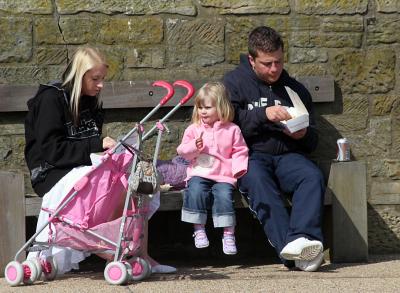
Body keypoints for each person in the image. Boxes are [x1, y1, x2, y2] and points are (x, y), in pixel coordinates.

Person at [25, 46, 175, 275]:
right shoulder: (50, 99)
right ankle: (113, 250)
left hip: (82, 166)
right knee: (109, 177)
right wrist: (97, 145)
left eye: (102, 79)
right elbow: (51, 151)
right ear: (79, 76)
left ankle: (136, 253)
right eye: (95, 79)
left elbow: (90, 147)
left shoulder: (90, 100)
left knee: (137, 173)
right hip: (51, 172)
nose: (101, 85)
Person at [223, 26, 326, 271]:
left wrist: (303, 134)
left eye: (278, 62)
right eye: (267, 63)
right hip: (250, 156)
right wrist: (263, 114)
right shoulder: (232, 84)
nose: (274, 69)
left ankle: (305, 241)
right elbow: (226, 127)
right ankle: (291, 254)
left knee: (311, 177)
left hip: (289, 154)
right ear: (251, 60)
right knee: (258, 183)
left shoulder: (294, 88)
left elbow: (313, 141)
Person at [177, 82, 248, 255]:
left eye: (207, 107)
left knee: (224, 195)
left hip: (223, 175)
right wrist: (194, 146)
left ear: (221, 107)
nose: (203, 111)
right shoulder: (194, 129)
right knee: (195, 190)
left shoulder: (232, 130)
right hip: (199, 172)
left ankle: (228, 234)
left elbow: (240, 151)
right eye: (200, 107)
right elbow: (183, 152)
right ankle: (199, 229)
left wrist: (238, 170)